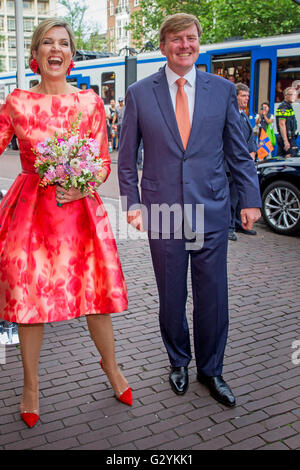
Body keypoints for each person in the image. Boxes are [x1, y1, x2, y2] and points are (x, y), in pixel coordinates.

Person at [118, 13, 261, 408]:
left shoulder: (222, 90)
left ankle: (211, 370)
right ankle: (178, 360)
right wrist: (132, 204)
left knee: (212, 295)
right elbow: (127, 159)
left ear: (199, 43)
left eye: (191, 38)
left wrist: (249, 199)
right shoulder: (140, 93)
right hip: (163, 212)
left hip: (209, 210)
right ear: (163, 46)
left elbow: (237, 152)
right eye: (176, 39)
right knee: (171, 295)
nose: (185, 45)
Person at [0, 18, 130, 429]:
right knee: (28, 299)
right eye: (47, 44)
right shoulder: (17, 103)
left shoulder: (90, 103)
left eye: (64, 44)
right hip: (30, 215)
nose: (56, 50)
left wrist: (83, 184)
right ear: (37, 54)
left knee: (95, 298)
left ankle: (111, 369)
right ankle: (30, 385)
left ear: (71, 56)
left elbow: (103, 162)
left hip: (79, 215)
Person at [227, 83, 257, 241]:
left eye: (247, 96)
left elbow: (249, 138)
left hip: (244, 162)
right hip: (231, 165)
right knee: (231, 198)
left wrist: (252, 153)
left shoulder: (244, 116)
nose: (246, 99)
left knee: (239, 196)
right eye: (243, 96)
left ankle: (238, 223)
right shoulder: (232, 115)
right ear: (235, 96)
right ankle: (229, 227)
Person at [275, 87, 298, 158]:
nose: (293, 97)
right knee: (289, 157)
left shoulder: (288, 107)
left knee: (283, 157)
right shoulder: (283, 108)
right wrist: (286, 141)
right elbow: (282, 124)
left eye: (294, 95)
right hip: (287, 137)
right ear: (285, 96)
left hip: (290, 137)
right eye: (291, 94)